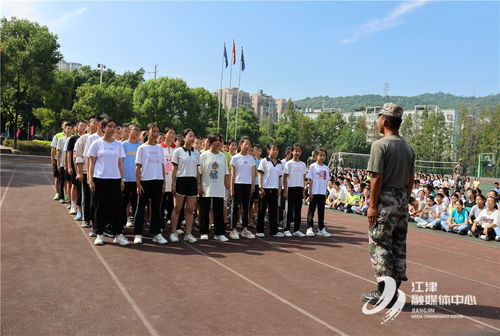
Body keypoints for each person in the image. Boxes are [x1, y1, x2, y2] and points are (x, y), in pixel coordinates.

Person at [363, 103, 415, 305]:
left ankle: (385, 292)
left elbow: (376, 177)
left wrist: (373, 205)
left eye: (379, 117)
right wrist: (404, 198)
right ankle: (394, 288)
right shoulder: (407, 148)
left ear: (384, 120)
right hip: (402, 200)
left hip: (385, 200)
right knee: (398, 245)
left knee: (380, 245)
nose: (378, 121)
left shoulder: (380, 145)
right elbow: (411, 179)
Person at [87, 117, 129, 246]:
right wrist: (90, 179)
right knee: (100, 207)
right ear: (103, 128)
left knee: (116, 208)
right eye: (109, 126)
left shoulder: (118, 145)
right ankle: (99, 233)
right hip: (100, 179)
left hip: (115, 180)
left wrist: (122, 179)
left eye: (114, 126)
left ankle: (117, 233)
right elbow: (91, 163)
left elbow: (120, 164)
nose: (112, 129)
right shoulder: (96, 144)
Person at [133, 123, 167, 245]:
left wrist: (163, 182)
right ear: (148, 132)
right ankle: (138, 233)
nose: (156, 134)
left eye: (157, 131)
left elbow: (162, 166)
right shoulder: (141, 148)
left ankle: (156, 233)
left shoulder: (159, 149)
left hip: (157, 181)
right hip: (145, 181)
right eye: (154, 131)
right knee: (141, 208)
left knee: (157, 209)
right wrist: (138, 184)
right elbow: (138, 167)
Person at [170, 129, 200, 243]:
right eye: (190, 136)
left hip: (192, 182)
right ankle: (173, 232)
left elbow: (197, 169)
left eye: (194, 136)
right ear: (184, 137)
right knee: (177, 208)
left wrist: (198, 183)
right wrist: (173, 183)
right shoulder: (178, 151)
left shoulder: (197, 153)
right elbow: (174, 169)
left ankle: (188, 233)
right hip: (181, 181)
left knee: (190, 209)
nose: (192, 138)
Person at [198, 134, 230, 241]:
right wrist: (199, 185)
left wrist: (226, 182)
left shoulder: (222, 156)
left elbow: (226, 172)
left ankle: (219, 233)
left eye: (219, 141)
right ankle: (204, 231)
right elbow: (200, 172)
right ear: (210, 142)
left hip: (219, 186)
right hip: (206, 186)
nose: (218, 143)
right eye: (215, 140)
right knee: (205, 209)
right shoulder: (203, 155)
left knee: (218, 210)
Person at [229, 136, 256, 240]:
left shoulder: (251, 158)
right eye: (246, 144)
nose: (247, 146)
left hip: (247, 185)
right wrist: (232, 188)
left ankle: (245, 229)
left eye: (249, 144)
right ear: (241, 145)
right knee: (236, 207)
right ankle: (233, 229)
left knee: (246, 207)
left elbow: (253, 173)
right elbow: (232, 174)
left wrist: (253, 186)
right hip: (237, 184)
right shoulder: (235, 158)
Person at [256, 143, 284, 238]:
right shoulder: (264, 161)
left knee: (273, 211)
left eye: (277, 149)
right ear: (268, 150)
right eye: (273, 149)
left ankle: (274, 231)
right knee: (262, 210)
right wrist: (260, 187)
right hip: (265, 189)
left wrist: (280, 188)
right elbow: (260, 174)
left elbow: (280, 177)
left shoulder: (280, 163)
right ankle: (259, 230)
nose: (275, 151)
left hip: (275, 189)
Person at [75, 117, 96, 228]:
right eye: (93, 123)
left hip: (97, 173)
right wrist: (79, 172)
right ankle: (86, 219)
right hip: (85, 172)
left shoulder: (100, 138)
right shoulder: (83, 139)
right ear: (89, 125)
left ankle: (95, 220)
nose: (96, 124)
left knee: (95, 198)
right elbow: (78, 156)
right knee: (86, 197)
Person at [306, 148, 331, 237]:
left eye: (324, 156)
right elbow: (310, 179)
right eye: (320, 155)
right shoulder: (312, 166)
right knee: (311, 211)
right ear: (316, 156)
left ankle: (321, 229)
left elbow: (326, 181)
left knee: (321, 211)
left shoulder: (326, 168)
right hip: (314, 192)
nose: (322, 157)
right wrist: (310, 192)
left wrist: (325, 193)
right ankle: (309, 228)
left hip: (322, 192)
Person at [283, 144, 307, 237]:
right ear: (292, 152)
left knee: (298, 210)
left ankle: (297, 229)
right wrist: (285, 190)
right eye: (295, 151)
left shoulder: (303, 164)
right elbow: (285, 178)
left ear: (301, 152)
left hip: (299, 188)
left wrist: (304, 191)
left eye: (299, 151)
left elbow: (304, 178)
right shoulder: (289, 163)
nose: (297, 153)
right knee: (289, 210)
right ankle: (286, 229)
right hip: (291, 188)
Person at [122, 124, 142, 228]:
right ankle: (121, 226)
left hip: (137, 181)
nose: (137, 132)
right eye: (135, 130)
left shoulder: (142, 146)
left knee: (137, 204)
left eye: (139, 130)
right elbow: (119, 162)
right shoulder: (123, 145)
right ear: (129, 131)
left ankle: (137, 227)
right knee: (123, 203)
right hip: (125, 180)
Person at [66, 120, 86, 217]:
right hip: (75, 166)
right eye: (81, 126)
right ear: (77, 127)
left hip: (85, 167)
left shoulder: (88, 138)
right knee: (74, 185)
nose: (83, 127)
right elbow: (69, 153)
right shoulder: (73, 139)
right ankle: (73, 204)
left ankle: (82, 207)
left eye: (84, 126)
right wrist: (69, 166)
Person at [160, 127, 176, 227]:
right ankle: (160, 223)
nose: (171, 135)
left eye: (173, 134)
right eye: (170, 133)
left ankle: (171, 220)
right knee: (161, 203)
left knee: (171, 202)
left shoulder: (176, 149)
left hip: (172, 179)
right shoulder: (159, 147)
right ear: (165, 135)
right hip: (162, 178)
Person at [50, 121, 68, 200]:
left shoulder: (72, 136)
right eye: (65, 125)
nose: (67, 127)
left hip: (67, 161)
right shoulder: (57, 136)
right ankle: (57, 193)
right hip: (58, 160)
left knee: (66, 179)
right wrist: (53, 159)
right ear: (62, 126)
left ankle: (66, 194)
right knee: (58, 177)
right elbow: (53, 148)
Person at [56, 122, 74, 204]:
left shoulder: (73, 139)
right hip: (63, 163)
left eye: (71, 128)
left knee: (69, 181)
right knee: (62, 180)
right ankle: (61, 196)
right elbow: (59, 152)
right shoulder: (61, 139)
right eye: (68, 128)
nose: (69, 130)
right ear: (64, 129)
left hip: (70, 163)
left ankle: (68, 196)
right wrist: (58, 163)